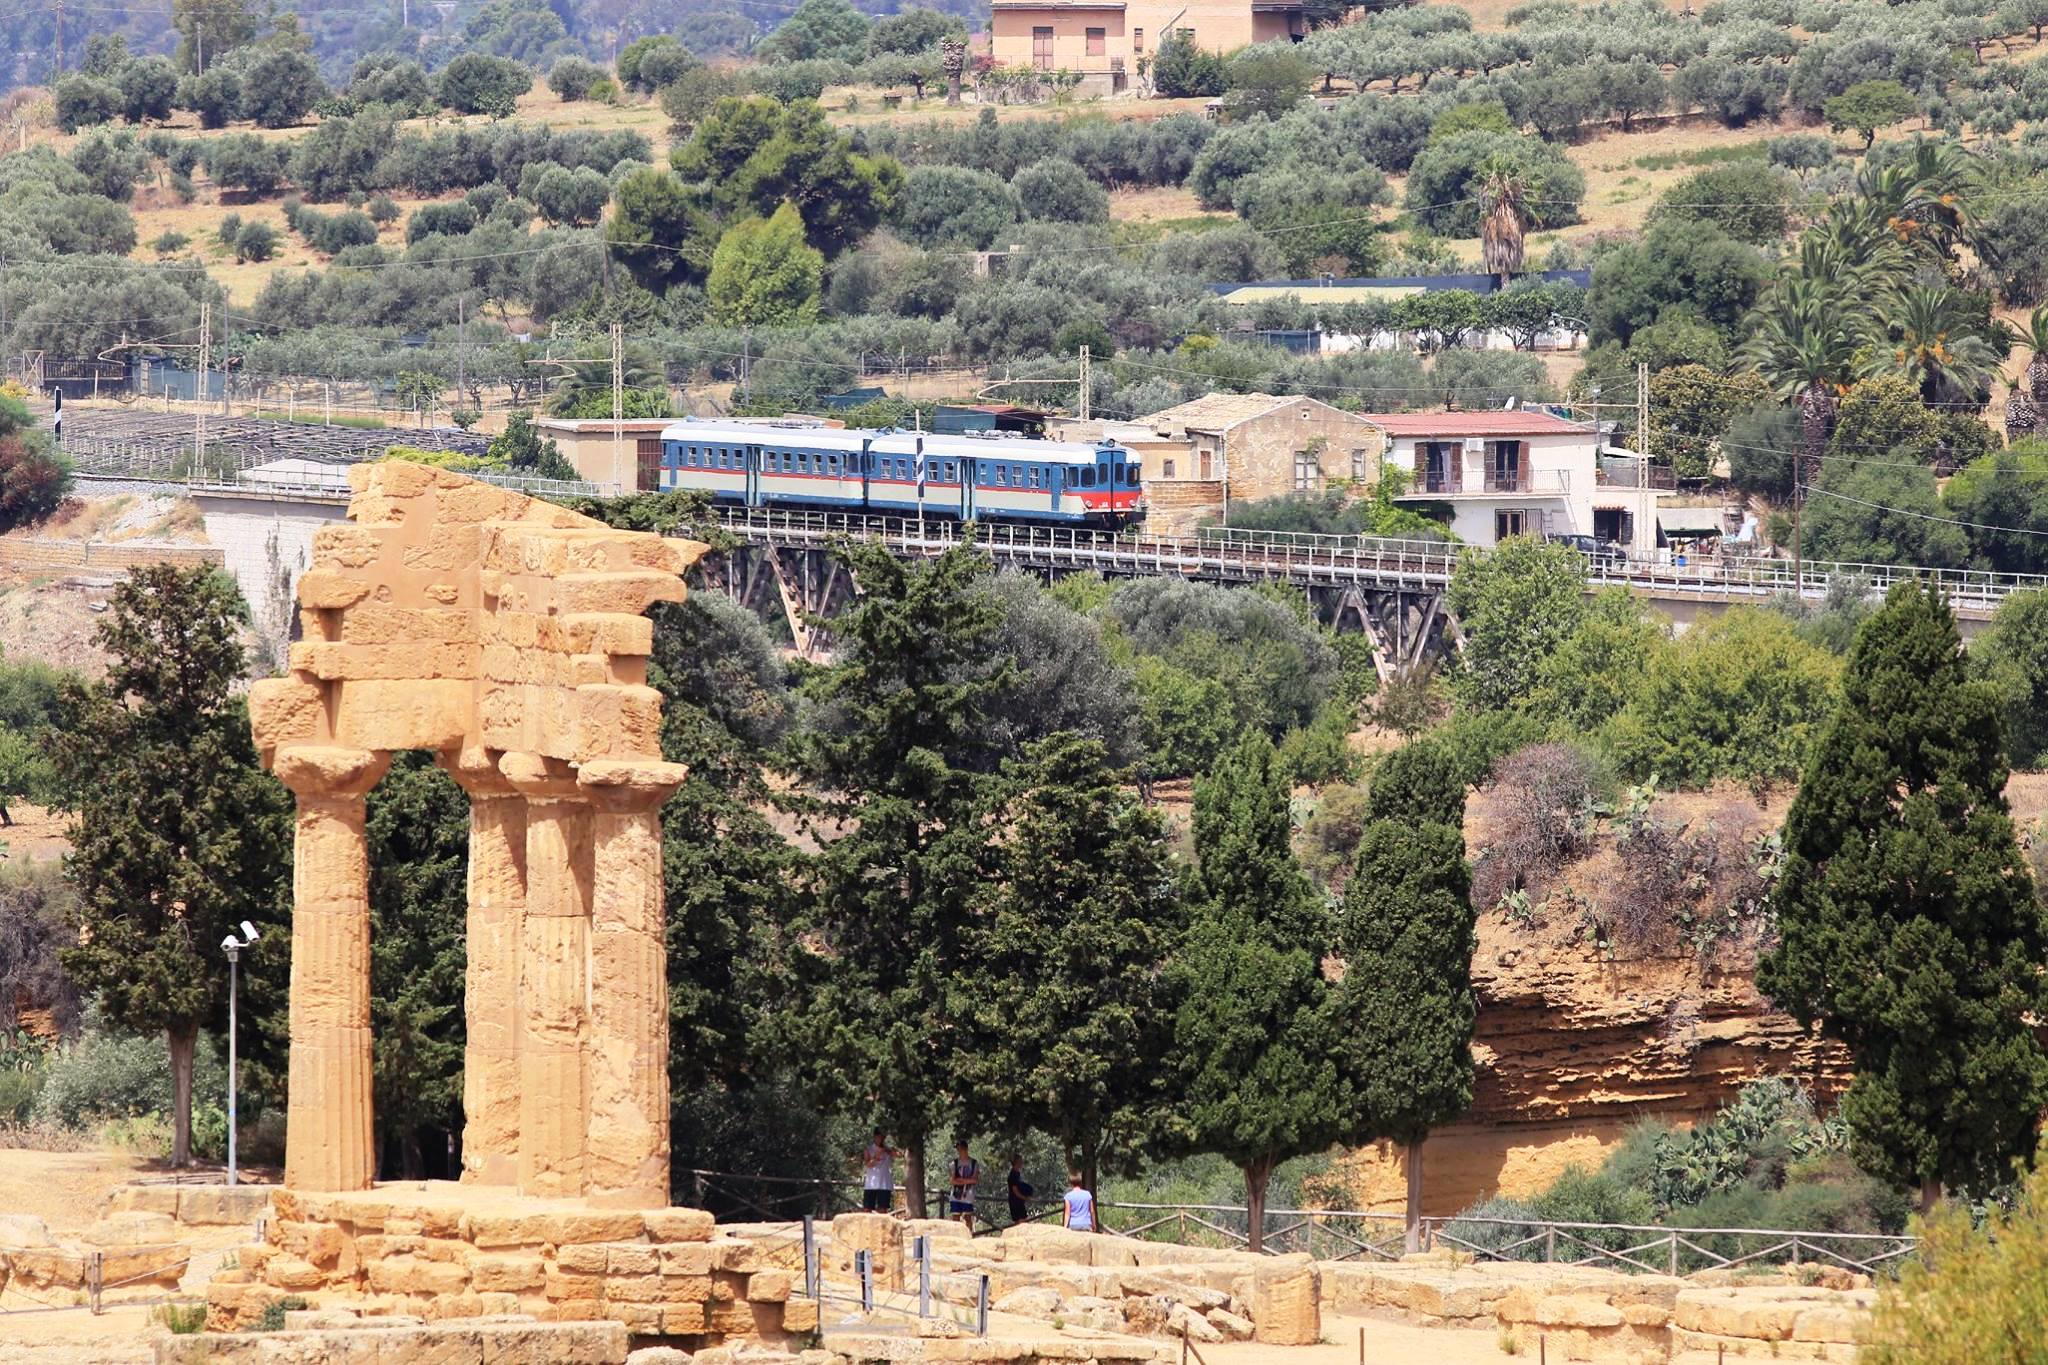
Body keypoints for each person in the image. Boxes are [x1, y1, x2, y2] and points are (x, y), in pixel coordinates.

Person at [860, 1130, 899, 1213]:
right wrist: (875, 1158)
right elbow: (867, 1164)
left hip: (884, 1183)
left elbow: (899, 1155)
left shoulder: (888, 1150)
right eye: (878, 1136)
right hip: (871, 1184)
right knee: (867, 1209)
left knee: (883, 1209)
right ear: (874, 1137)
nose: (880, 1139)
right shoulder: (869, 1149)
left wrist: (887, 1150)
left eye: (882, 1136)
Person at [947, 1140, 980, 1234]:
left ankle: (969, 1235)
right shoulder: (954, 1164)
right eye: (957, 1149)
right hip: (956, 1195)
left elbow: (975, 1180)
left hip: (968, 1195)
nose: (958, 1150)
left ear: (965, 1149)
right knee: (955, 1217)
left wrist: (960, 1181)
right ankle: (956, 1236)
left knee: (968, 1217)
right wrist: (967, 1180)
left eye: (960, 1148)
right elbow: (952, 1181)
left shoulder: (974, 1163)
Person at [1006, 1156, 1033, 1226]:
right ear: (1016, 1163)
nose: (1022, 1163)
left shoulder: (1017, 1174)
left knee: (1024, 1219)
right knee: (1020, 1222)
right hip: (1015, 1202)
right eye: (1020, 1161)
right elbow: (1015, 1190)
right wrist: (1024, 1197)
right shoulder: (1013, 1175)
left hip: (1019, 1202)